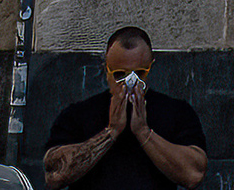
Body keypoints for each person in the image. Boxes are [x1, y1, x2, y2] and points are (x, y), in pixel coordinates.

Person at [45, 40, 210, 190]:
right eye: (119, 74)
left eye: (139, 73)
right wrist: (111, 133)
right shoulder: (78, 114)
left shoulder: (176, 111)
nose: (130, 82)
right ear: (106, 69)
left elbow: (193, 175)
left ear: (150, 68)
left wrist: (144, 133)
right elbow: (54, 175)